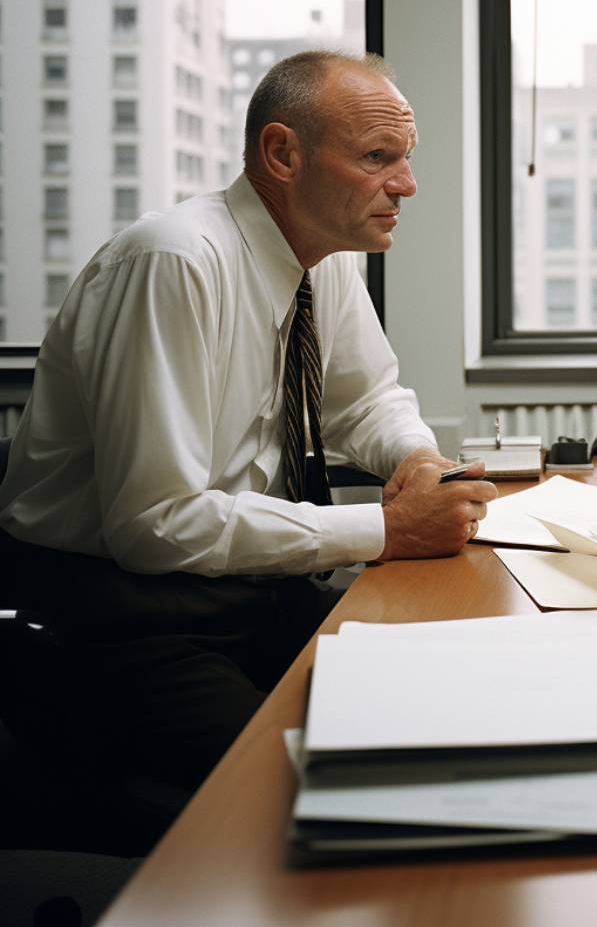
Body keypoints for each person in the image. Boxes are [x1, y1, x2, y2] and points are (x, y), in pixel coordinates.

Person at [0, 51, 497, 799]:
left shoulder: (319, 257)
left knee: (445, 705)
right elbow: (155, 524)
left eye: (405, 158)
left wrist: (418, 459)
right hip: (123, 618)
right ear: (281, 153)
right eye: (376, 157)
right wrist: (388, 532)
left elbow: (365, 402)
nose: (406, 184)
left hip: (252, 590)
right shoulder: (174, 263)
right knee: (312, 795)